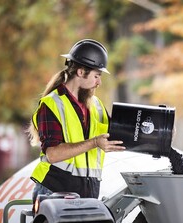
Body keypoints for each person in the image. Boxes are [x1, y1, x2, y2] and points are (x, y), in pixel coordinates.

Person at [28, 39, 125, 202]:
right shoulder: (52, 104)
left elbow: (120, 135)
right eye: (97, 76)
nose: (99, 82)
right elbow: (52, 154)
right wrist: (94, 142)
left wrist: (160, 131)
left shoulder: (96, 106)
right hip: (53, 193)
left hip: (87, 195)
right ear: (81, 72)